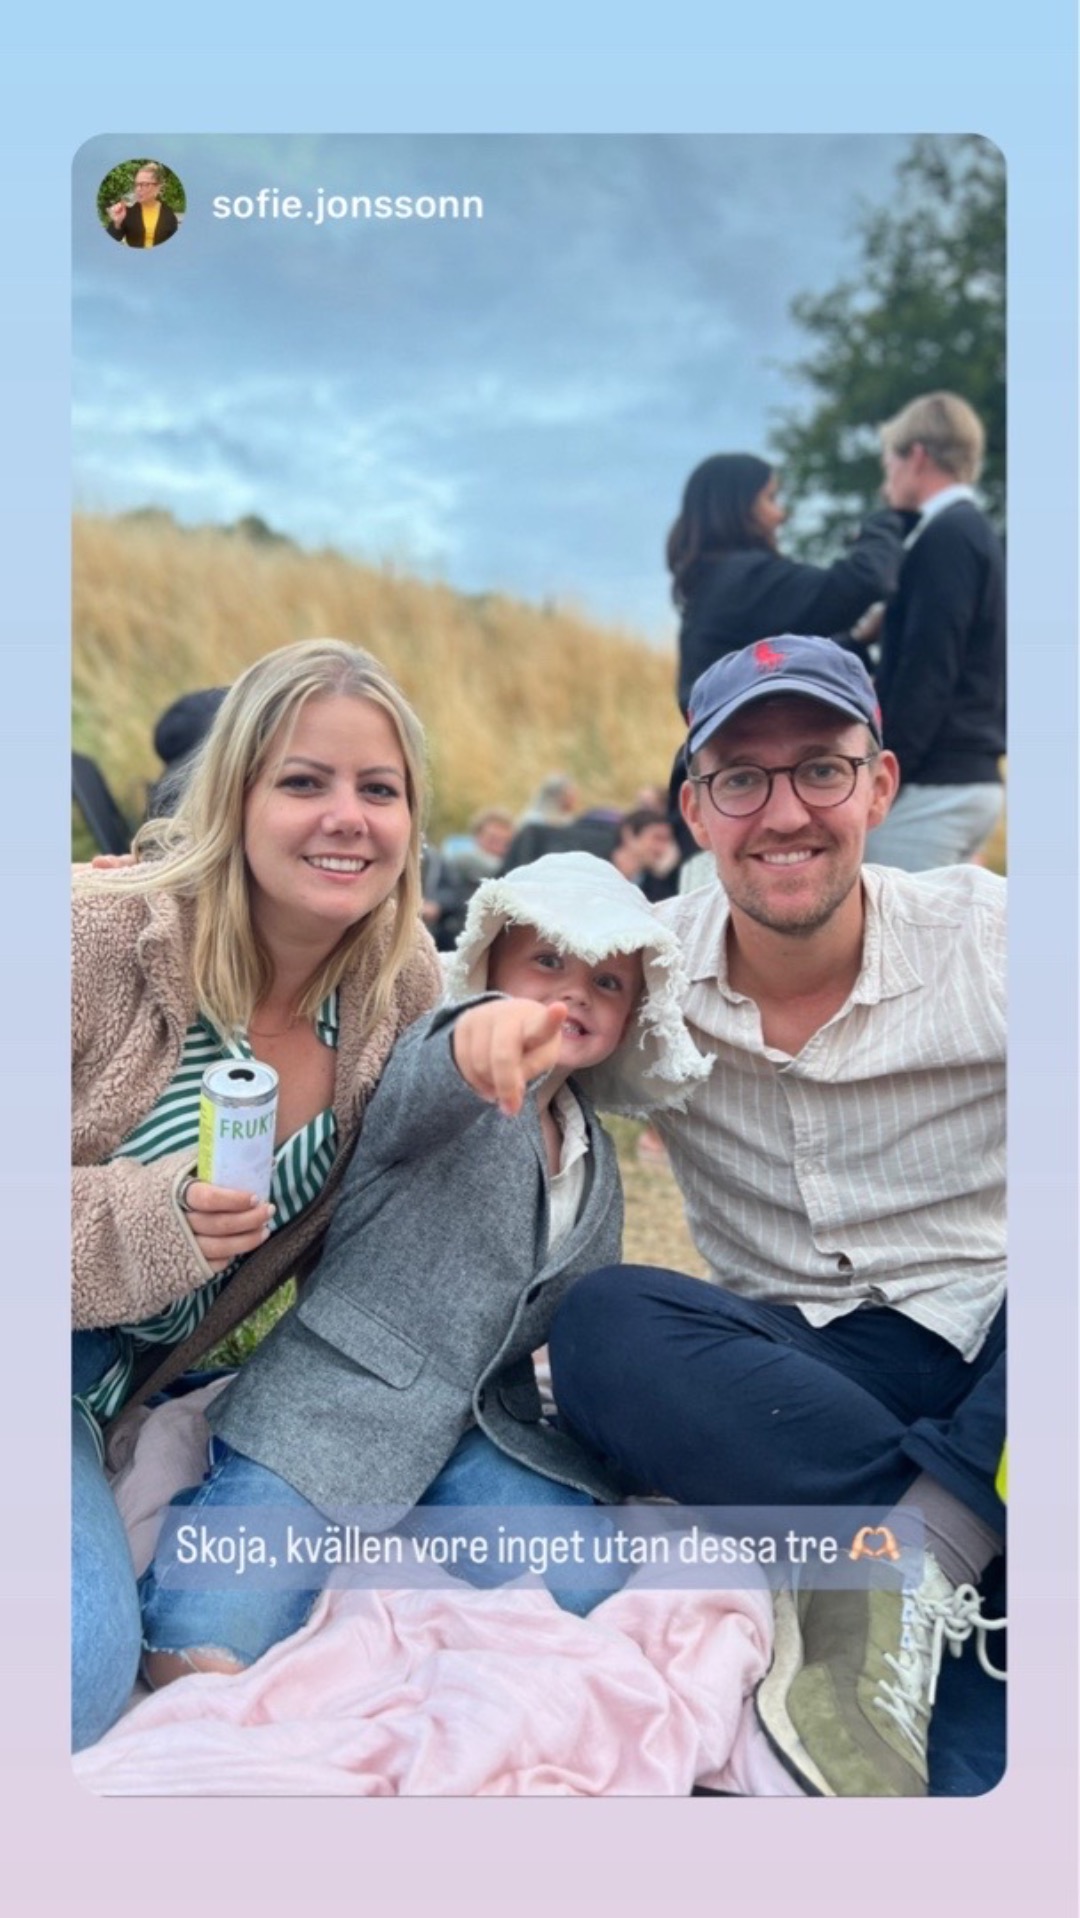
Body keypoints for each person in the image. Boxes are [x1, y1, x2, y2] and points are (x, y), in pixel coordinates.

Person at [549, 635, 1006, 1798]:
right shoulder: (642, 974)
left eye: (822, 768)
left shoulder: (992, 939)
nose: (785, 812)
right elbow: (446, 986)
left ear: (881, 786)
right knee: (603, 1327)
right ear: (697, 810)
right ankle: (959, 1546)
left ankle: (918, 1559)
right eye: (743, 778)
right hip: (806, 1371)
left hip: (1008, 1340)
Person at [136, 852, 711, 1684]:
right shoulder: (441, 1071)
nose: (576, 992)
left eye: (609, 982)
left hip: (480, 1428)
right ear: (491, 968)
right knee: (204, 1646)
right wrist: (480, 1035)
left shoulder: (596, 1159)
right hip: (337, 1407)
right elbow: (445, 1062)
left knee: (594, 1594)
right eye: (548, 961)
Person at [72, 639, 445, 1751]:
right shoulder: (93, 936)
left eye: (379, 789)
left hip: (122, 1396)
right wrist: (146, 1221)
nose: (347, 818)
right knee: (70, 1677)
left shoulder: (397, 988)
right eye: (304, 781)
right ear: (234, 795)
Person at [865, 393, 1006, 870]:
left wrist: (884, 778)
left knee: (888, 914)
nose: (887, 480)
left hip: (934, 785)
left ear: (917, 456)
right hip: (967, 778)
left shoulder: (946, 536)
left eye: (889, 462)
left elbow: (928, 667)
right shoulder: (976, 533)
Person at [667, 453, 906, 719]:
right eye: (771, 499)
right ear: (739, 508)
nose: (781, 515)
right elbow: (865, 579)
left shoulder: (716, 582)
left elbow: (774, 666)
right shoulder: (746, 580)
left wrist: (858, 641)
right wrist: (889, 516)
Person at [105, 162, 180, 248]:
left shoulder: (168, 214)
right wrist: (117, 223)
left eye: (144, 184)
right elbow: (108, 243)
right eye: (136, 184)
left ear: (158, 187)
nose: (138, 189)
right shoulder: (127, 211)